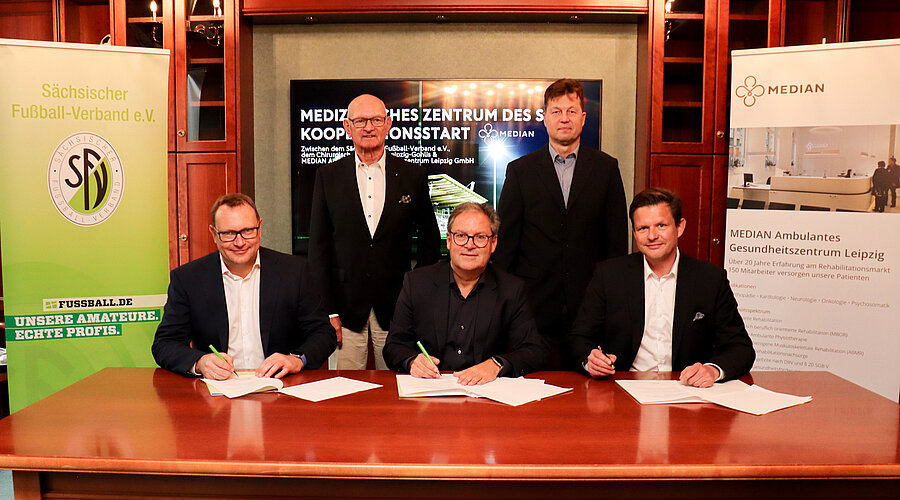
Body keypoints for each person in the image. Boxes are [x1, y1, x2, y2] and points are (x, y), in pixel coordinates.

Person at [494, 78, 628, 368]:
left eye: (571, 111)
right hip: (533, 307)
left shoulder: (606, 169)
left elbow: (616, 241)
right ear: (545, 119)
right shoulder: (520, 171)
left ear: (583, 118)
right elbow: (506, 245)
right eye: (556, 111)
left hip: (589, 306)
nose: (564, 118)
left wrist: (613, 301)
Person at [566, 188, 755, 387]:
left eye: (661, 225)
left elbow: (741, 349)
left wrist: (712, 369)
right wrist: (591, 361)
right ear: (634, 233)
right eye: (643, 228)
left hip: (687, 392)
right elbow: (578, 339)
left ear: (679, 227)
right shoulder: (609, 276)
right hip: (623, 391)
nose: (652, 236)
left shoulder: (710, 280)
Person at [309, 94, 441, 370]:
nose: (368, 127)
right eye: (360, 121)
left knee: (399, 387)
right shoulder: (328, 176)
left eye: (376, 120)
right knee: (344, 391)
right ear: (347, 127)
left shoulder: (412, 175)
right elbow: (318, 250)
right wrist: (328, 310)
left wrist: (417, 293)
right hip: (344, 309)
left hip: (398, 307)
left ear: (388, 124)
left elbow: (430, 240)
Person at [152, 193, 336, 380]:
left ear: (260, 228)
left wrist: (296, 359)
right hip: (218, 393)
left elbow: (323, 333)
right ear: (213, 234)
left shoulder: (295, 272)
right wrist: (200, 362)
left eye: (247, 231)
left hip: (281, 386)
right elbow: (165, 344)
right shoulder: (188, 279)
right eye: (229, 234)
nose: (239, 242)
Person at [383, 202, 548, 385]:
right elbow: (394, 346)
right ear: (449, 241)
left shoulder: (511, 289)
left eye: (480, 237)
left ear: (493, 243)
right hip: (430, 391)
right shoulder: (417, 283)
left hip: (487, 393)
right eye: (461, 236)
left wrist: (496, 365)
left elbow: (534, 350)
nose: (470, 245)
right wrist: (412, 361)